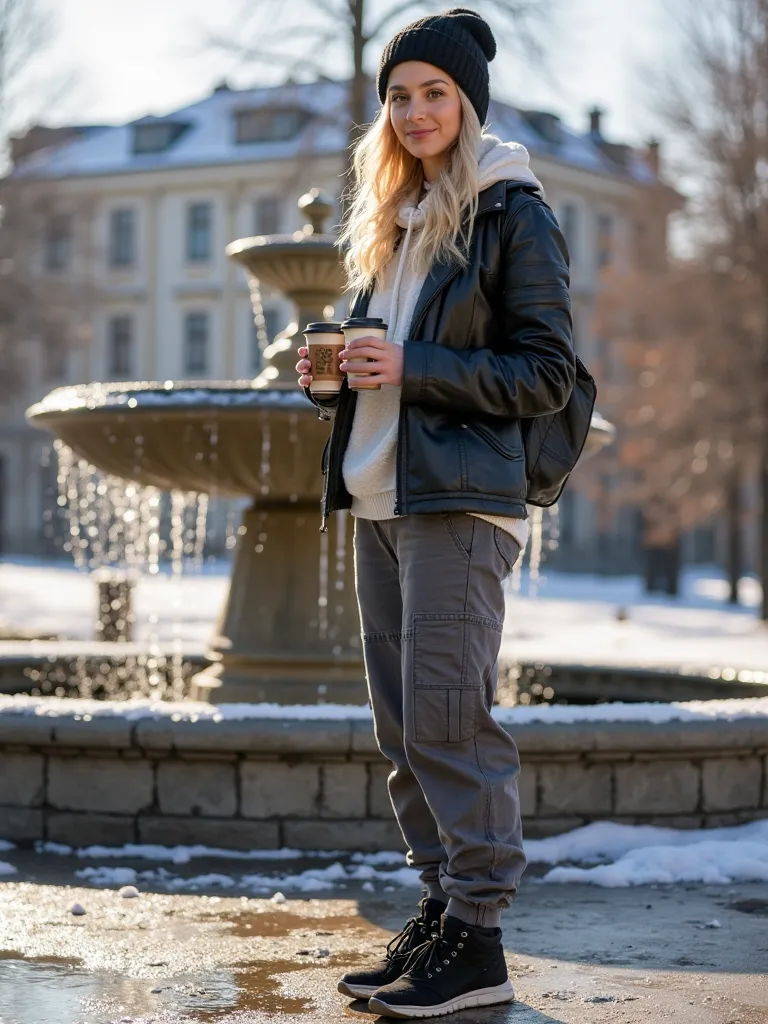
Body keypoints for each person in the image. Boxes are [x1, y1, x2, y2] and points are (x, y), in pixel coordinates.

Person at [296, 7, 575, 1018]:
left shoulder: (513, 211)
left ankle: (481, 937)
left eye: (435, 93)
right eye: (401, 95)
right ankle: (440, 911)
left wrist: (411, 364)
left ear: (468, 103)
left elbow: (545, 373)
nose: (416, 112)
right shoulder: (394, 221)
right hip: (382, 494)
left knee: (452, 722)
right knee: (407, 729)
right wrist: (340, 379)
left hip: (461, 502)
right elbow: (395, 367)